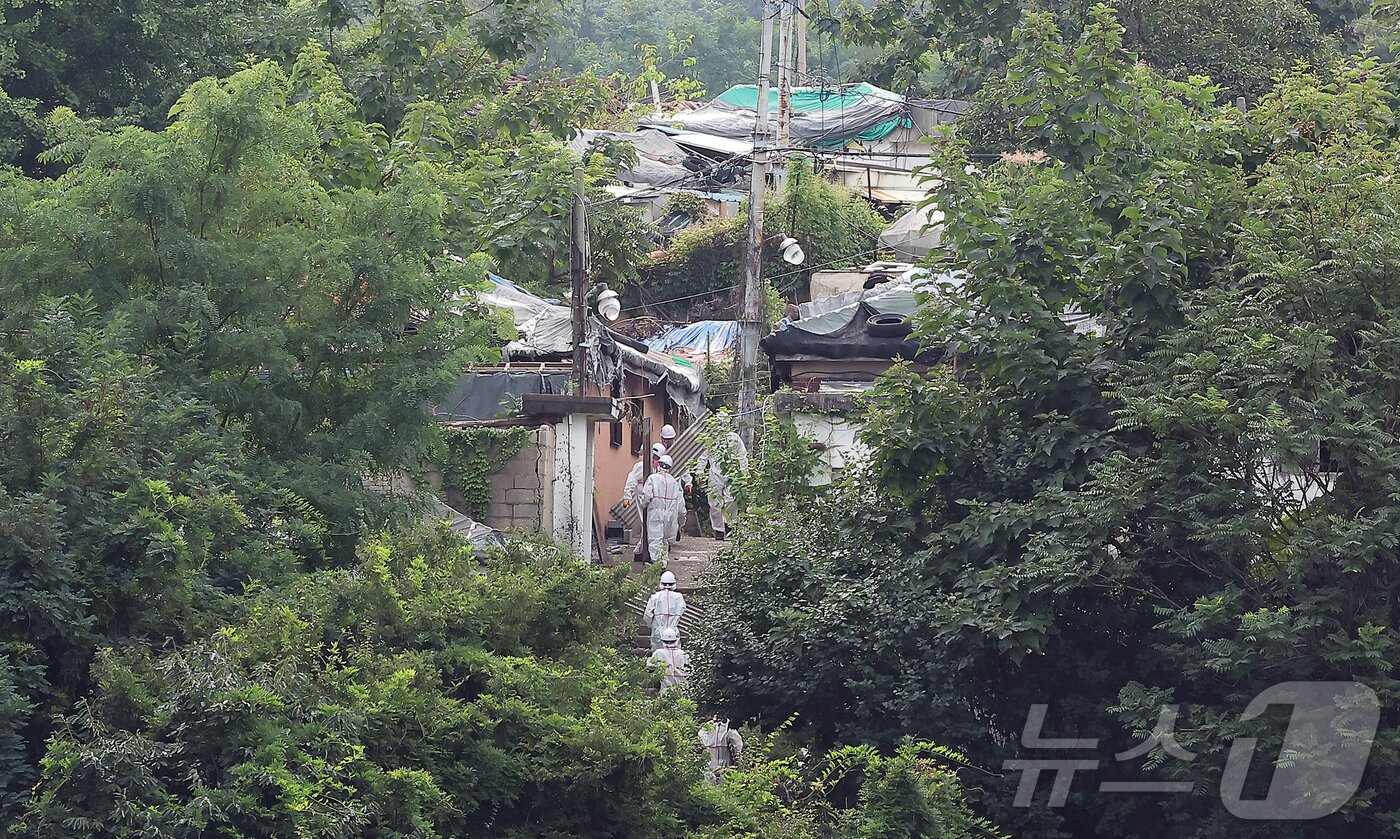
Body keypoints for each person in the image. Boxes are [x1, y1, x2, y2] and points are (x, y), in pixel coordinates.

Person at [695, 416, 748, 540]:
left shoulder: (734, 438)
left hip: (732, 474)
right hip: (715, 475)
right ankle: (718, 530)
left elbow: (742, 456)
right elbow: (703, 457)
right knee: (714, 504)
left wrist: (744, 474)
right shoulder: (711, 439)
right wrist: (699, 473)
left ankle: (730, 526)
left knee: (732, 501)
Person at [638, 453, 685, 564]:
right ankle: (663, 561)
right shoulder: (674, 482)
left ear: (659, 465)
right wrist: (680, 522)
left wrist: (643, 505)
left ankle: (658, 564)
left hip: (655, 512)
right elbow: (681, 505)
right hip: (670, 514)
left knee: (655, 539)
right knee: (664, 540)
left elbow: (647, 496)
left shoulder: (652, 478)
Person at [643, 570, 686, 652]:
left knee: (658, 656)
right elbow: (683, 610)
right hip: (673, 631)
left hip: (658, 631)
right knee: (674, 654)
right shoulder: (679, 598)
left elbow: (647, 615)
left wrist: (651, 625)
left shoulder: (655, 597)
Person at [698, 717, 744, 781]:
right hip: (711, 765)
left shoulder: (728, 727)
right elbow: (737, 747)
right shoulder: (708, 726)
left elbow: (736, 745)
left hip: (724, 764)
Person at [647, 626, 689, 693]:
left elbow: (649, 666)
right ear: (675, 640)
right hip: (683, 691)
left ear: (662, 641)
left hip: (666, 691)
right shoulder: (684, 654)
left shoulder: (659, 653)